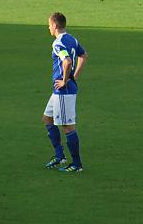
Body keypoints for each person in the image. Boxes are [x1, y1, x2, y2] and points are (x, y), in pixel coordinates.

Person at [43, 12, 87, 173]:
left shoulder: (58, 43)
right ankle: (59, 155)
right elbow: (83, 55)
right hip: (60, 90)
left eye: (49, 25)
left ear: (55, 25)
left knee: (68, 127)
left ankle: (76, 164)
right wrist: (74, 77)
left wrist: (65, 79)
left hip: (64, 90)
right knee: (47, 118)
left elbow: (67, 61)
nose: (48, 28)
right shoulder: (72, 39)